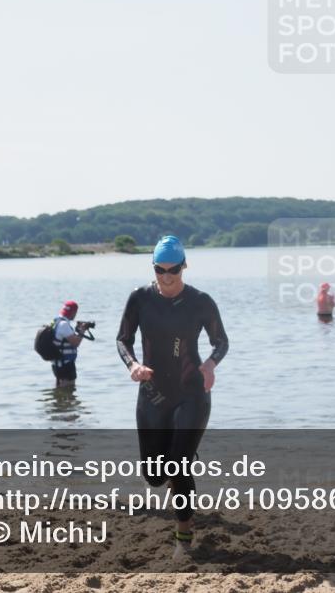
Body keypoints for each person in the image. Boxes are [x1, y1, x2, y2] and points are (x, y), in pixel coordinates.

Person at [116, 235, 228, 559]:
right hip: (152, 393)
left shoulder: (201, 301)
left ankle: (184, 538)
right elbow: (123, 339)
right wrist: (133, 364)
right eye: (160, 269)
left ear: (184, 266)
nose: (166, 277)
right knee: (154, 476)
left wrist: (209, 364)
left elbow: (221, 342)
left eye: (173, 270)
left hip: (191, 392)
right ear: (152, 267)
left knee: (178, 467)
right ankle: (180, 460)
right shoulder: (139, 299)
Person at [52, 300, 87, 388]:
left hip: (57, 363)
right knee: (69, 389)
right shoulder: (64, 325)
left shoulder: (56, 322)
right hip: (66, 363)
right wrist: (82, 330)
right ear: (74, 312)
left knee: (60, 387)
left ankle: (58, 401)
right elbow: (75, 343)